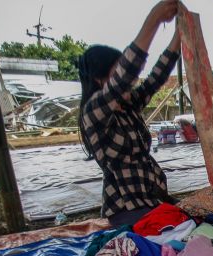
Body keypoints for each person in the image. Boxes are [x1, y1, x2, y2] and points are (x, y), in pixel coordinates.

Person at [78, 0, 181, 227]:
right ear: (100, 79)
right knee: (177, 241)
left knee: (200, 225)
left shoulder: (128, 105)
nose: (133, 81)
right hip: (126, 209)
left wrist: (179, 36)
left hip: (152, 199)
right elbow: (126, 74)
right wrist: (154, 19)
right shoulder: (93, 112)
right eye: (119, 73)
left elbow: (156, 77)